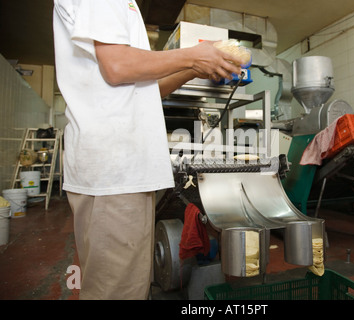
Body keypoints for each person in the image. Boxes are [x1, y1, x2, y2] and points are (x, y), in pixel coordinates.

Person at [53, 0, 243, 300]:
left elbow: (144, 89)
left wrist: (193, 68)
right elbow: (118, 67)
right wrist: (193, 53)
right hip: (114, 171)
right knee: (116, 291)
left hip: (120, 171)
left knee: (120, 285)